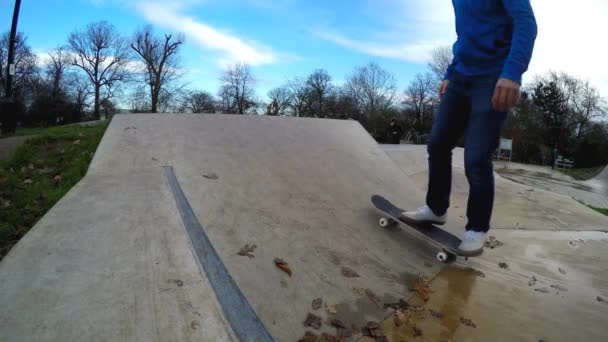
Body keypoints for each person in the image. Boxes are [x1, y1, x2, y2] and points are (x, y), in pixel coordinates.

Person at [401, 0, 537, 256]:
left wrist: (512, 72)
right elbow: (465, 35)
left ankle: (477, 228)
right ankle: (436, 208)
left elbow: (526, 24)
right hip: (461, 76)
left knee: (475, 157)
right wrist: (450, 73)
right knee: (438, 143)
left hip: (493, 77)